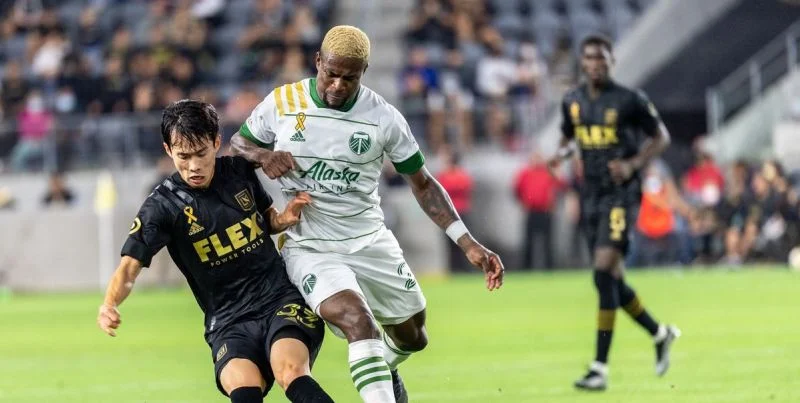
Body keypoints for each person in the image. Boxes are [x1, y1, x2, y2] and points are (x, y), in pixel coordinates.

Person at [230, 25, 505, 403]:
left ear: (364, 72)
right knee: (358, 321)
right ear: (318, 62)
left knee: (413, 337)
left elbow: (423, 184)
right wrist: (264, 155)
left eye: (350, 78)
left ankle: (382, 367)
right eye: (332, 73)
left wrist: (468, 242)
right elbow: (239, 144)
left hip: (370, 240)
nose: (338, 85)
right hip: (311, 246)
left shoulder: (383, 118)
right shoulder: (283, 102)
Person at [96, 100, 333, 403]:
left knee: (290, 371)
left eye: (201, 153)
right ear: (168, 150)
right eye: (183, 156)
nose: (194, 166)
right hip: (228, 320)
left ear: (216, 143)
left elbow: (266, 220)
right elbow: (129, 267)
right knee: (244, 390)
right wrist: (109, 304)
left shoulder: (238, 171)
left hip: (280, 299)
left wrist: (283, 219)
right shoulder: (161, 206)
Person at [547, 35, 680, 391]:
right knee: (607, 280)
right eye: (590, 58)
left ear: (611, 62)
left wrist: (634, 164)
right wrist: (560, 154)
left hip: (621, 195)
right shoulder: (572, 100)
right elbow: (568, 137)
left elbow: (661, 137)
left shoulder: (629, 99)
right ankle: (659, 333)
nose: (595, 64)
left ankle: (599, 368)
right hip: (590, 195)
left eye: (601, 59)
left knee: (603, 269)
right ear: (582, 62)